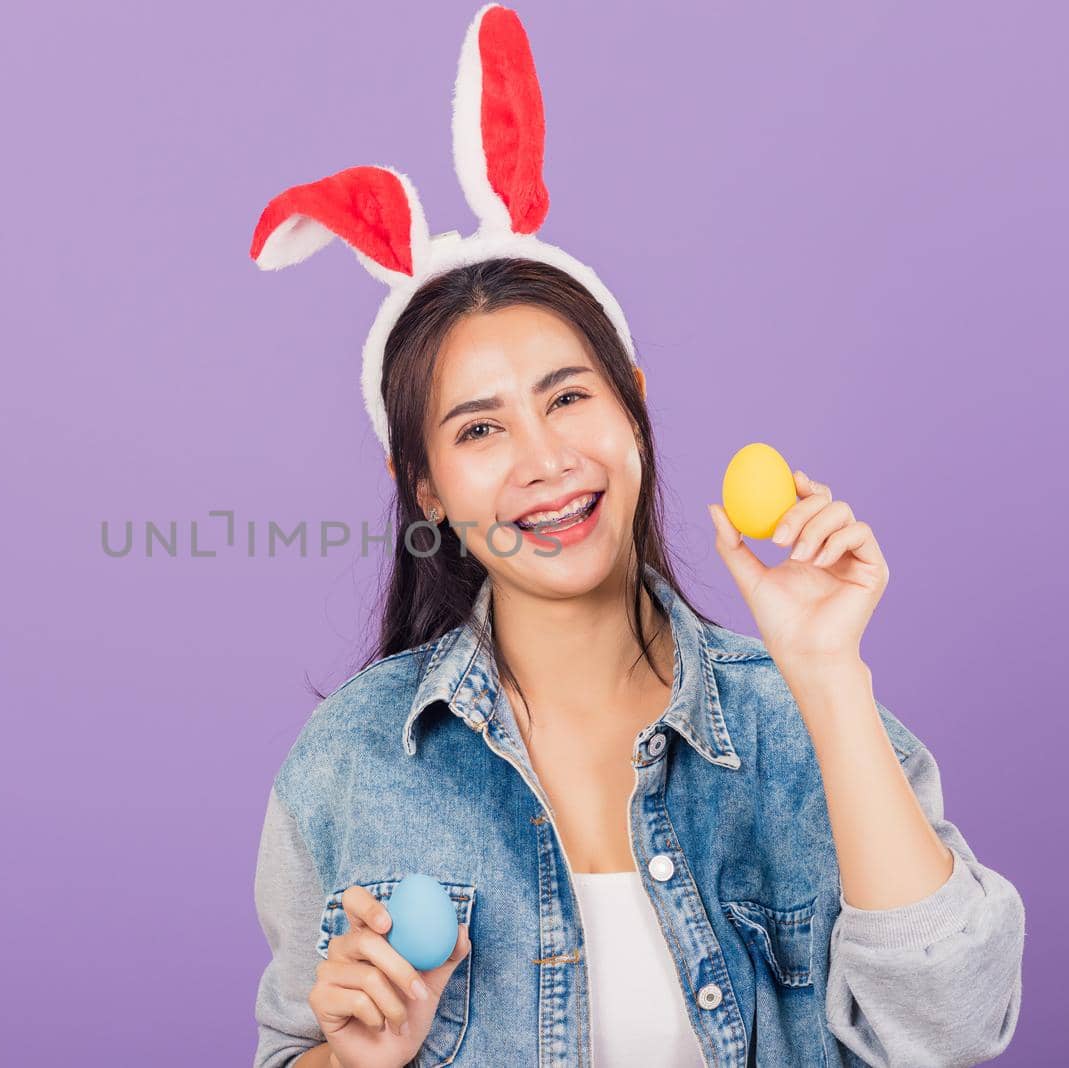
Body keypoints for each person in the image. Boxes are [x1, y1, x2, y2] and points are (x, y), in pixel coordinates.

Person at [247, 7, 1024, 1067]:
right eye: (480, 428)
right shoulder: (351, 762)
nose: (543, 459)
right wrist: (354, 1058)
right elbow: (294, 1050)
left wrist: (826, 675)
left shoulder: (798, 728)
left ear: (633, 409)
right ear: (422, 488)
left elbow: (953, 1028)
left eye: (567, 398)